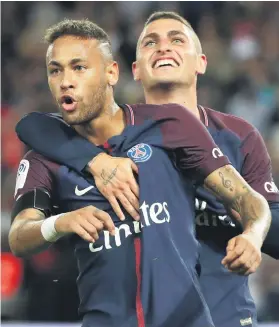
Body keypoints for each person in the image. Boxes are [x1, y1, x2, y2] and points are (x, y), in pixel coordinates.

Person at [11, 18, 272, 327]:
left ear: (112, 72)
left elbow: (248, 199)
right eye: (55, 70)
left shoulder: (169, 127)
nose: (66, 80)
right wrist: (59, 222)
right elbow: (19, 236)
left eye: (79, 68)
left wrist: (252, 237)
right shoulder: (45, 158)